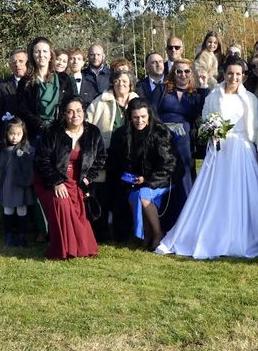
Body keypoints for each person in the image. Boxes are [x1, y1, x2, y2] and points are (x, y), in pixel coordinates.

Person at [155, 56, 258, 259]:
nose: (233, 78)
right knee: (216, 194)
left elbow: (255, 128)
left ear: (243, 76)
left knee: (241, 193)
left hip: (243, 151)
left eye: (238, 74)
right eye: (230, 73)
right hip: (220, 151)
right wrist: (212, 132)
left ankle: (241, 234)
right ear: (224, 74)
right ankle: (211, 233)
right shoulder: (213, 96)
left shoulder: (250, 99)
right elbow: (204, 124)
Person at [34, 96, 106, 259]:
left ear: (84, 112)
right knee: (62, 202)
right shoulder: (52, 132)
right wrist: (56, 182)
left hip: (79, 180)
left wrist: (88, 178)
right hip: (52, 179)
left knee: (79, 207)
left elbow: (101, 156)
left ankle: (81, 247)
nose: (75, 115)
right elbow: (41, 160)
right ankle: (64, 249)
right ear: (64, 114)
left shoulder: (93, 132)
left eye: (79, 111)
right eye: (70, 112)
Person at [107, 98, 181, 249]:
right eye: (135, 117)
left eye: (143, 117)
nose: (139, 120)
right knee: (135, 196)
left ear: (149, 115)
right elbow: (116, 161)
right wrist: (128, 176)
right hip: (135, 181)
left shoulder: (160, 133)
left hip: (162, 179)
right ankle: (146, 236)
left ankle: (158, 233)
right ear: (129, 117)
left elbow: (169, 165)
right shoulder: (122, 134)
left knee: (143, 194)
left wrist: (146, 179)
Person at [85, 66, 139, 241]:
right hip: (105, 155)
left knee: (124, 194)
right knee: (103, 194)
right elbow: (87, 123)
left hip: (129, 157)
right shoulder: (100, 101)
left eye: (124, 81)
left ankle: (124, 233)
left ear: (130, 84)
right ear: (112, 84)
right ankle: (100, 233)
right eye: (117, 81)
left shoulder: (137, 102)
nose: (121, 84)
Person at [151, 58, 209, 194]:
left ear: (191, 73)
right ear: (173, 73)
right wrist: (163, 128)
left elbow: (202, 112)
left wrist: (204, 86)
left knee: (184, 167)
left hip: (184, 137)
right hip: (162, 133)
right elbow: (152, 110)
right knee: (164, 167)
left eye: (187, 71)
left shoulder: (194, 94)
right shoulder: (162, 89)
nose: (183, 74)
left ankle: (186, 201)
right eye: (179, 71)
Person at [0, 116, 35, 247]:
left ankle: (21, 235)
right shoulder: (1, 149)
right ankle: (8, 235)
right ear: (6, 133)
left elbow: (32, 170)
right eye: (12, 134)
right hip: (7, 185)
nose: (15, 137)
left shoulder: (28, 150)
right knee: (8, 209)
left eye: (18, 134)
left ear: (23, 133)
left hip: (22, 187)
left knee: (21, 209)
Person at [17, 37, 73, 141]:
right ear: (32, 55)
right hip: (34, 136)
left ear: (51, 55)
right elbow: (23, 110)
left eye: (45, 51)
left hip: (59, 134)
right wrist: (41, 125)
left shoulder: (64, 80)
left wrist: (58, 126)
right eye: (37, 52)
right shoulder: (25, 82)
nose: (41, 55)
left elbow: (69, 104)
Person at [0, 49, 27, 143]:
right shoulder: (1, 85)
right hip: (9, 138)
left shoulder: (35, 83)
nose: (17, 64)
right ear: (10, 65)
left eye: (21, 61)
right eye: (13, 62)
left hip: (31, 136)